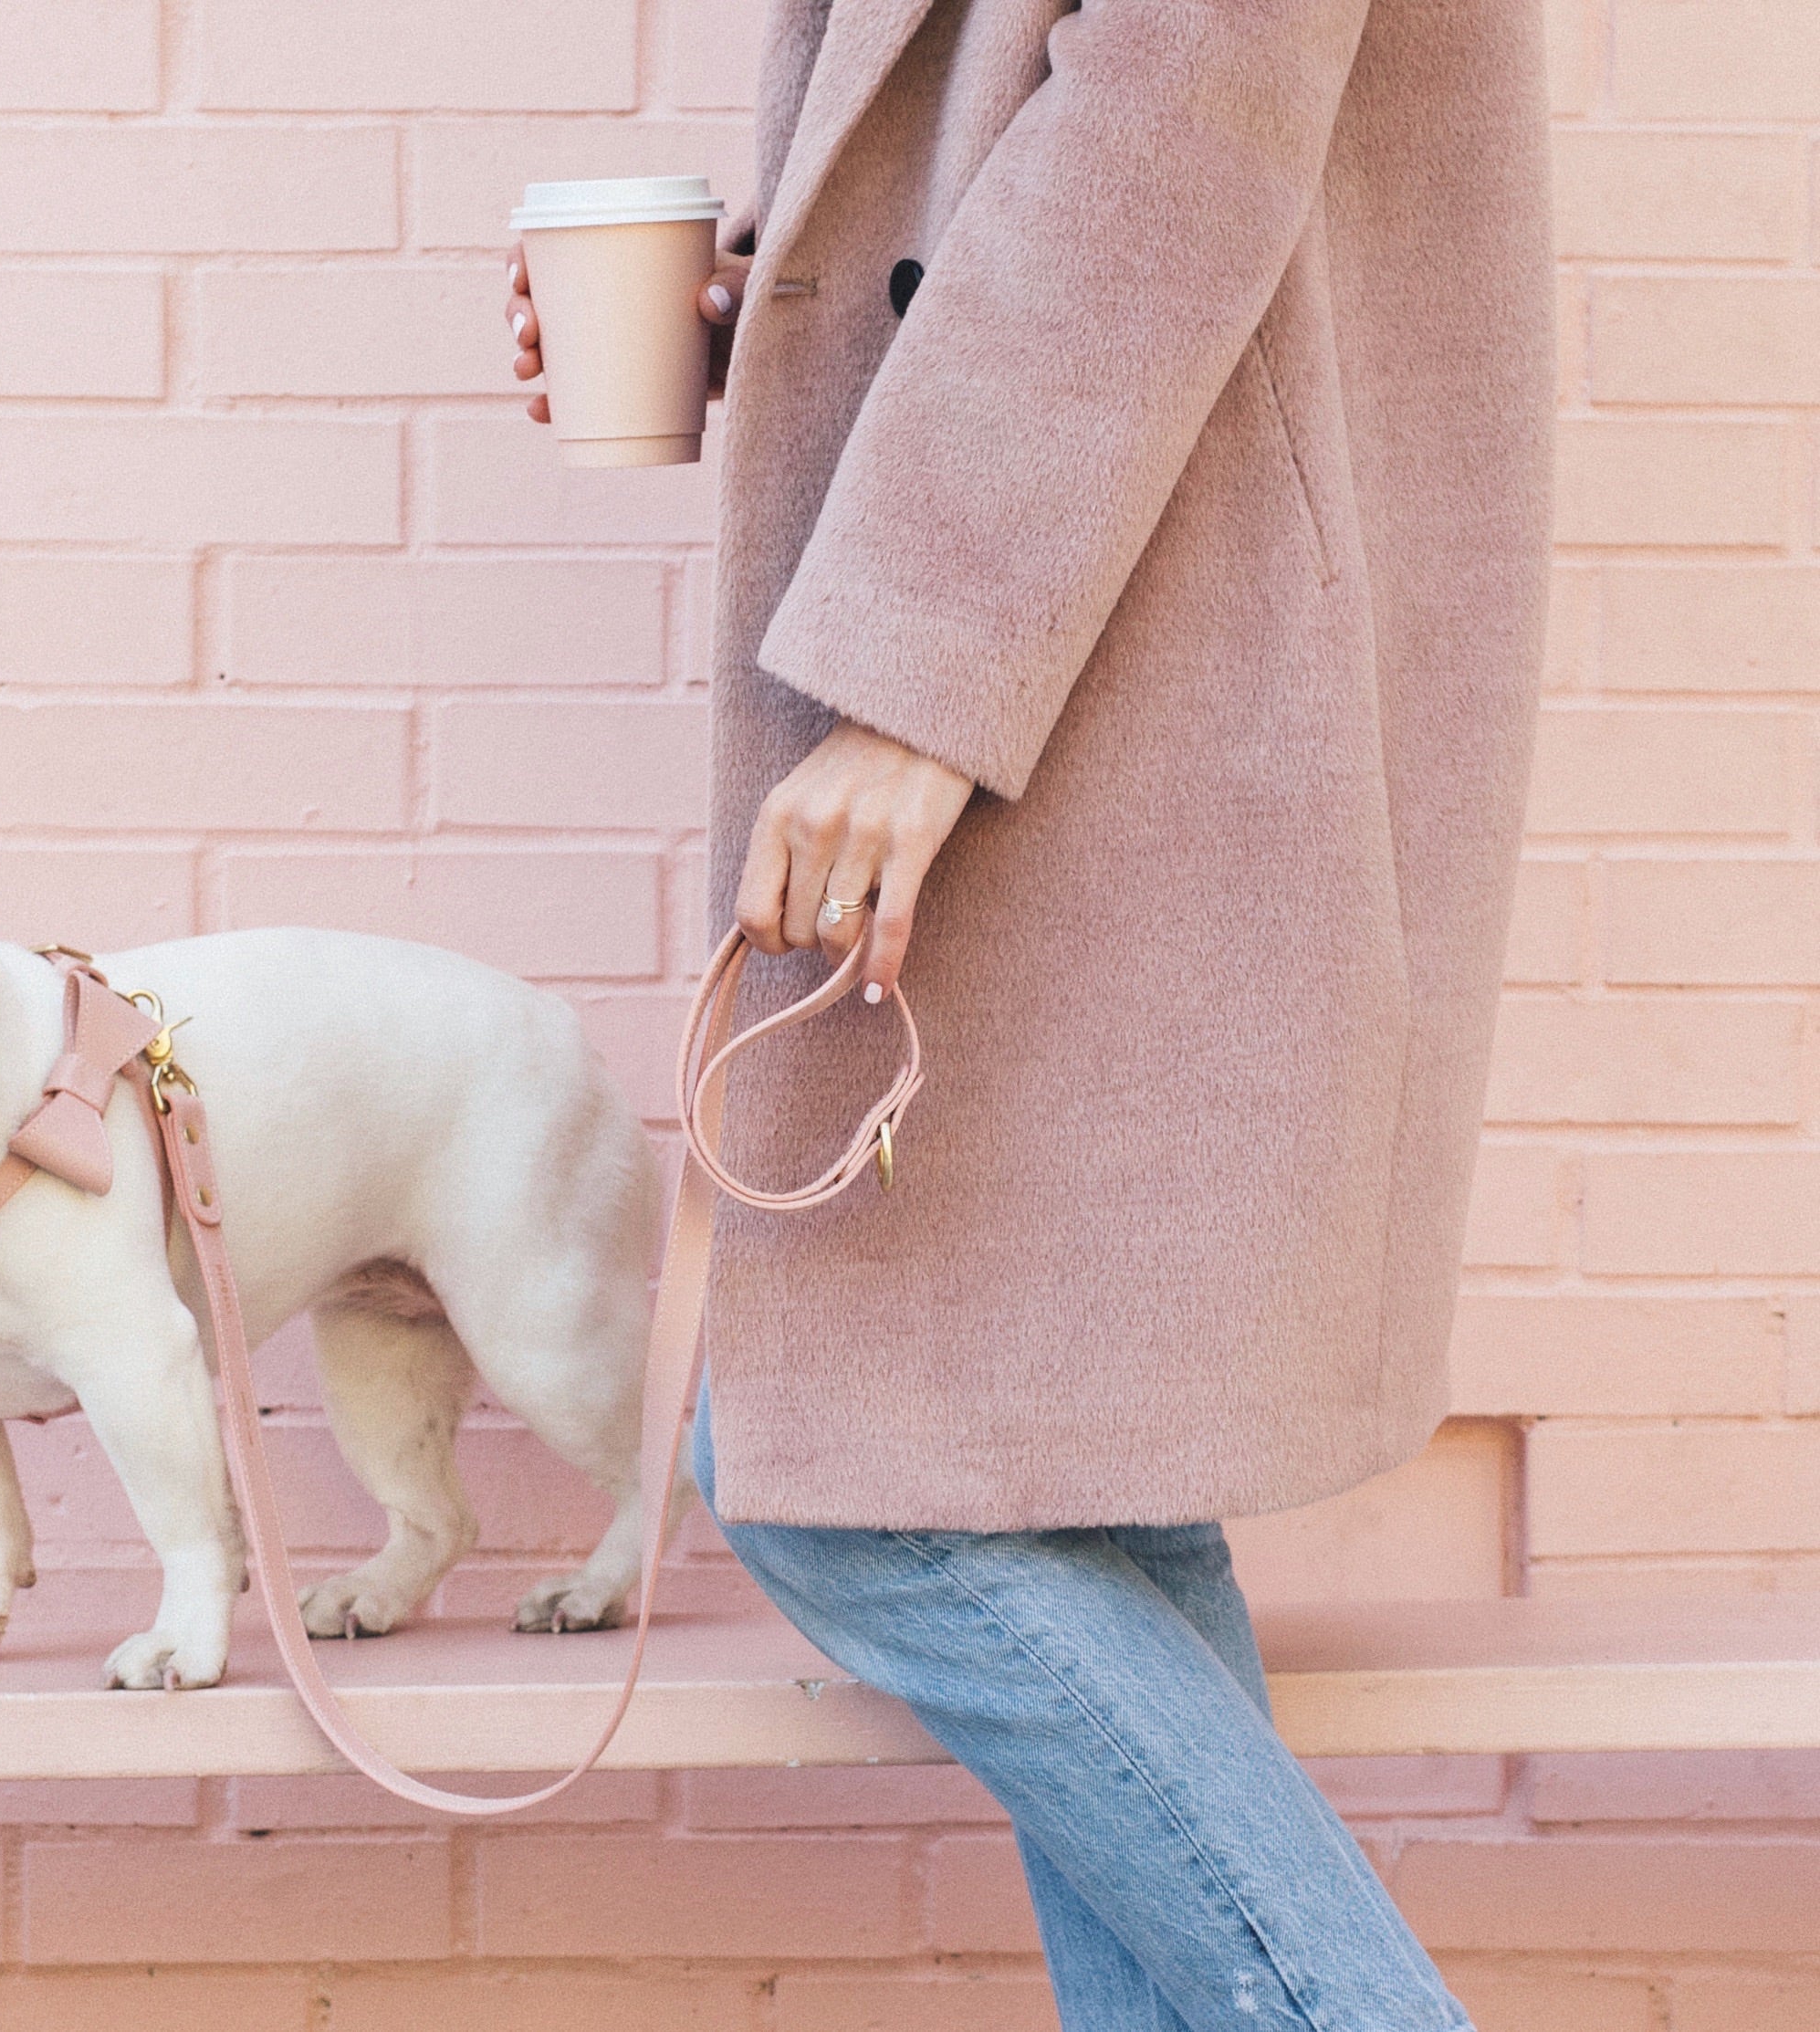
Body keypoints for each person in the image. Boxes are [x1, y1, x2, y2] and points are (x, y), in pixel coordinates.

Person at [507, 1, 1549, 2027]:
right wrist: (780, 287)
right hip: (1097, 630)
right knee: (1083, 1502)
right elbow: (1031, 141)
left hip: (1130, 660)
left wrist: (911, 681)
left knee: (839, 1481)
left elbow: (1171, 129)